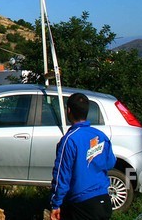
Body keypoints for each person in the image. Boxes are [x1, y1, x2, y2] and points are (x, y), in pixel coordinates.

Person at [50, 92, 116, 220]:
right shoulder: (101, 136)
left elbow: (62, 176)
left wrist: (56, 204)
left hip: (82, 205)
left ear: (68, 110)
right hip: (104, 201)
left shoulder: (69, 140)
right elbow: (110, 163)